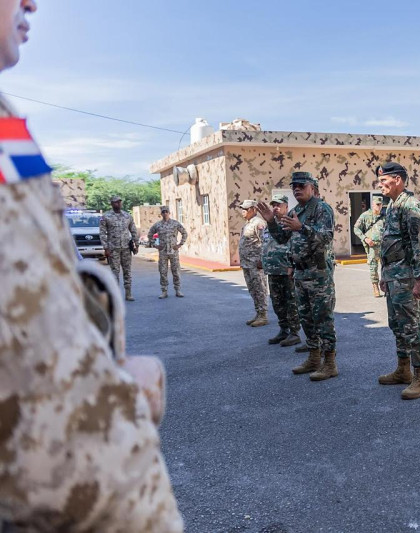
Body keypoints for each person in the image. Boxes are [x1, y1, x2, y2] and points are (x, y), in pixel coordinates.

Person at [0, 2, 183, 530]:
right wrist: (120, 397)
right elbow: (35, 389)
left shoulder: (7, 119)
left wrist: (103, 361)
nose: (32, 3)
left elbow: (44, 267)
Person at [258, 171, 338, 381]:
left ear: (312, 187)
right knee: (306, 318)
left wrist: (302, 228)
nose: (297, 189)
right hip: (300, 273)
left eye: (302, 185)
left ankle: (329, 362)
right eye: (294, 186)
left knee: (323, 318)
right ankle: (313, 357)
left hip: (318, 273)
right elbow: (283, 238)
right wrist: (271, 222)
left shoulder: (322, 209)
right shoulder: (296, 210)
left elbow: (326, 238)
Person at [375, 162, 420, 400]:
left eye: (384, 181)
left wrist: (418, 278)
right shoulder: (393, 205)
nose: (380, 185)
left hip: (407, 276)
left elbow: (419, 245)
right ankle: (403, 369)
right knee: (396, 324)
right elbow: (389, 243)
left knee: (412, 326)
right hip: (393, 275)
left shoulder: (411, 206)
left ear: (397, 179)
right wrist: (384, 274)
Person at [262, 194, 302, 347]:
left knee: (291, 302)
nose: (275, 208)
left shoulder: (290, 223)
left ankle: (294, 332)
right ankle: (283, 330)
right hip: (272, 270)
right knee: (277, 303)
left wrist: (292, 265)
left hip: (286, 270)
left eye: (279, 205)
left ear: (286, 206)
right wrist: (262, 258)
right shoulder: (269, 224)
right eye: (274, 205)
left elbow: (296, 245)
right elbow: (266, 243)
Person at [99, 194, 139, 301]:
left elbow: (133, 230)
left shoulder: (127, 216)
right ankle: (116, 296)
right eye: (116, 202)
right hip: (113, 249)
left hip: (126, 248)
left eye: (119, 202)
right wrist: (106, 248)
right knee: (115, 272)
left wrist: (136, 244)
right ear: (112, 204)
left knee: (127, 271)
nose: (118, 203)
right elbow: (102, 234)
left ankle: (128, 293)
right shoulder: (106, 217)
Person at [239, 199, 269, 327]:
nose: (243, 212)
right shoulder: (247, 224)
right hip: (247, 263)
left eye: (246, 209)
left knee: (260, 289)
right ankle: (258, 313)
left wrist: (262, 260)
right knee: (252, 289)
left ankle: (263, 315)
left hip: (256, 264)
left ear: (254, 210)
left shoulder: (259, 223)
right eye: (242, 209)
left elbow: (265, 242)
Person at [148, 205, 188, 299]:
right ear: (161, 214)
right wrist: (155, 245)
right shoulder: (157, 225)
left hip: (173, 252)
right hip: (163, 252)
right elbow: (150, 234)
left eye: (166, 211)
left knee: (176, 271)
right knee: (163, 272)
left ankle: (178, 290)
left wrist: (180, 244)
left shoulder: (175, 223)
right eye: (163, 212)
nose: (165, 213)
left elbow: (184, 233)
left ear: (169, 213)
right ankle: (164, 291)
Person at [353, 195, 385, 298]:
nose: (379, 207)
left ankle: (385, 285)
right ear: (373, 204)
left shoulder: (384, 217)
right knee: (373, 267)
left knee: (386, 266)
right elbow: (356, 229)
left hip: (384, 245)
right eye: (377, 205)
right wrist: (365, 239)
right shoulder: (365, 216)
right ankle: (375, 286)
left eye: (381, 205)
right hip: (373, 246)